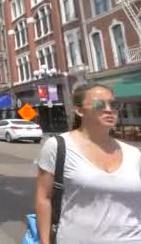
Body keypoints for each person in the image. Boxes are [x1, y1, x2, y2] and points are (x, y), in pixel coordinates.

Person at [36, 84, 141, 244]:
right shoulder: (58, 146)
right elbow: (44, 198)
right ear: (79, 110)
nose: (109, 109)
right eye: (100, 104)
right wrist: (45, 241)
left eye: (113, 105)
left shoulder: (134, 154)